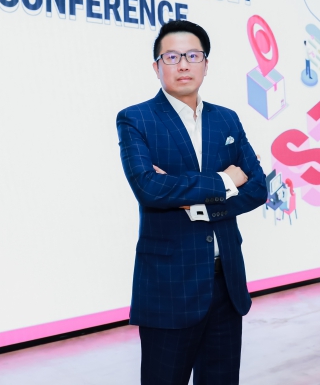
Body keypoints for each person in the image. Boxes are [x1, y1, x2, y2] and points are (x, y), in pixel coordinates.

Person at [116, 20, 268, 385]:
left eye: (192, 56)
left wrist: (200, 205)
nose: (183, 64)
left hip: (225, 284)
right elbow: (150, 188)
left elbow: (257, 187)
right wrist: (224, 180)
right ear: (157, 67)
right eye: (172, 57)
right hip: (170, 286)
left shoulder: (226, 119)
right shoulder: (136, 119)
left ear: (206, 63)